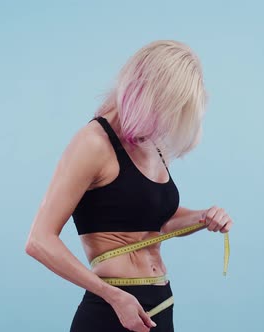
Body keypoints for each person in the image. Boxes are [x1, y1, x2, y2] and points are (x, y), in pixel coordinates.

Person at [24, 40, 234, 332]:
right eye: (169, 107)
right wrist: (112, 296)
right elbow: (39, 240)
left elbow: (155, 221)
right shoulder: (93, 143)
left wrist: (203, 217)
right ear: (147, 91)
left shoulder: (153, 143)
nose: (170, 119)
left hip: (160, 306)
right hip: (111, 311)